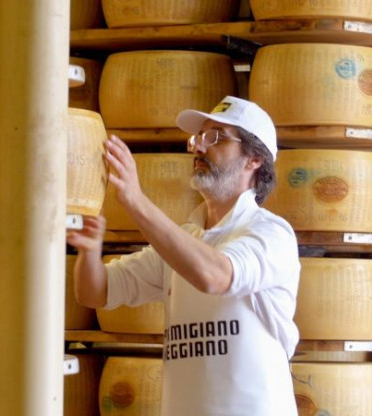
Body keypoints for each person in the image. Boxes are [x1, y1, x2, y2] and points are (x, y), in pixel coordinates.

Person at [67, 96, 301, 416]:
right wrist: (89, 251)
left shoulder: (271, 233)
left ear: (254, 159)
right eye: (197, 138)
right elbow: (96, 292)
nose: (199, 147)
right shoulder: (185, 238)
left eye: (215, 138)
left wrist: (136, 200)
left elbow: (216, 276)